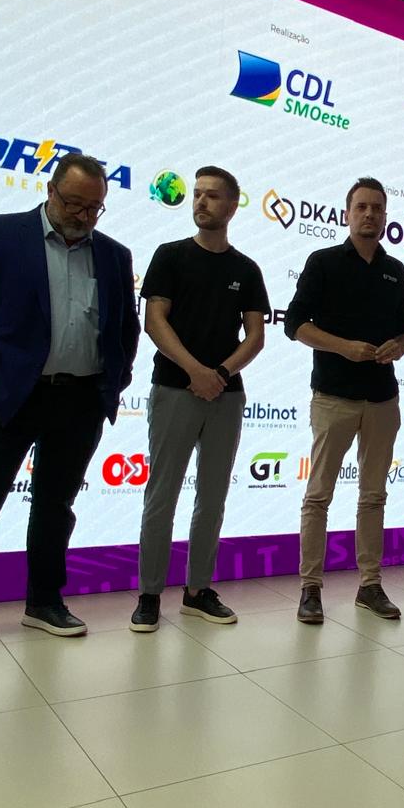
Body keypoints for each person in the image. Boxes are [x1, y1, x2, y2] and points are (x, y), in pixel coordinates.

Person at [0, 153, 139, 655]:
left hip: (80, 398)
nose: (83, 216)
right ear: (51, 191)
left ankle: (44, 602)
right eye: (74, 203)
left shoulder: (114, 254)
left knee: (56, 506)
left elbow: (125, 326)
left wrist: (116, 378)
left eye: (94, 208)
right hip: (8, 395)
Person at [131, 166, 269, 630]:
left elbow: (255, 337)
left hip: (225, 395)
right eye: (197, 194)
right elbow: (154, 321)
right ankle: (149, 595)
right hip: (175, 388)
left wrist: (221, 374)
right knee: (162, 495)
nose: (201, 202)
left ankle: (197, 591)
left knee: (212, 498)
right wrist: (195, 371)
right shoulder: (170, 256)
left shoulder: (246, 269)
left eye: (212, 196)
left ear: (232, 205)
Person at [285, 176, 404, 624]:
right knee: (318, 495)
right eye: (362, 207)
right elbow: (295, 324)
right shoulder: (323, 262)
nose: (369, 214)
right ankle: (310, 588)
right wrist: (344, 347)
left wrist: (400, 345)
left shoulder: (395, 269)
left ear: (385, 216)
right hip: (334, 395)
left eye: (377, 208)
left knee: (373, 496)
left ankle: (370, 585)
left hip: (382, 398)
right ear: (347, 213)